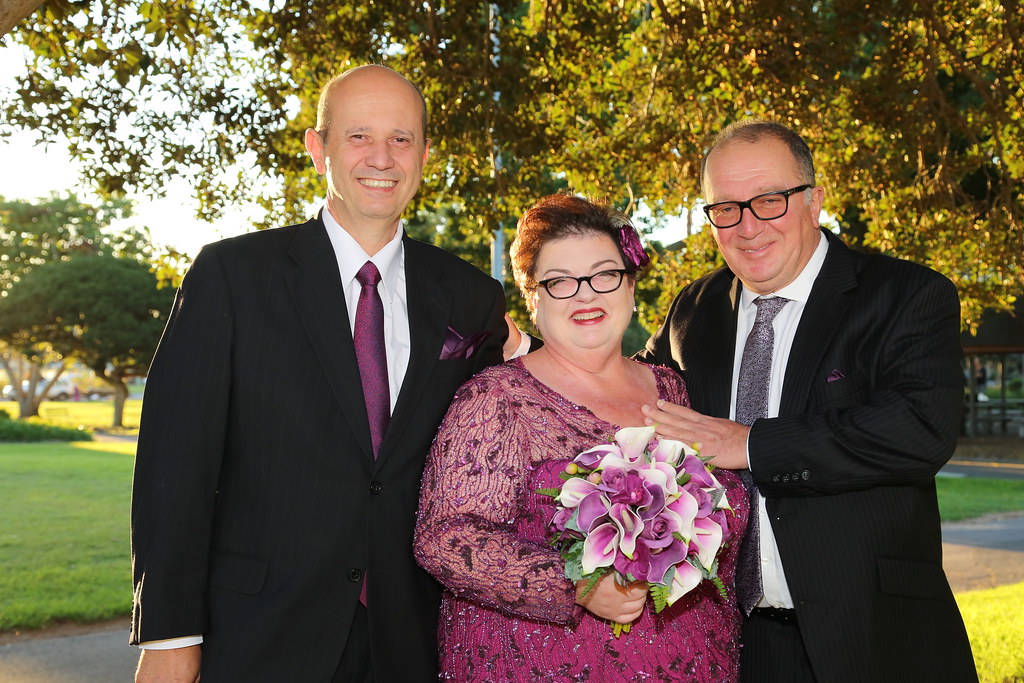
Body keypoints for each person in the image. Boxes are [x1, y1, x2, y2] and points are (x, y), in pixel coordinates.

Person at [130, 65, 511, 683]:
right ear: (318, 148)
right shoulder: (233, 275)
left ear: (425, 154)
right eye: (358, 136)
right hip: (258, 632)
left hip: (413, 638)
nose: (381, 157)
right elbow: (174, 465)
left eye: (402, 138)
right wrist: (171, 634)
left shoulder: (472, 297)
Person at [638, 119, 977, 682]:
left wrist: (751, 446)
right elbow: (626, 395)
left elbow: (921, 428)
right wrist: (533, 351)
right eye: (725, 208)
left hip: (878, 635)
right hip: (741, 640)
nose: (747, 227)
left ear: (815, 199)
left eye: (769, 201)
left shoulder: (906, 295)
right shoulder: (693, 311)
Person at [414, 194, 749, 681]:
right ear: (534, 299)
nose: (585, 295)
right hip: (544, 666)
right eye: (560, 282)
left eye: (603, 274)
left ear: (630, 286)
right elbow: (445, 538)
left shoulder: (673, 388)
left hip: (697, 659)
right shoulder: (498, 399)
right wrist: (576, 586)